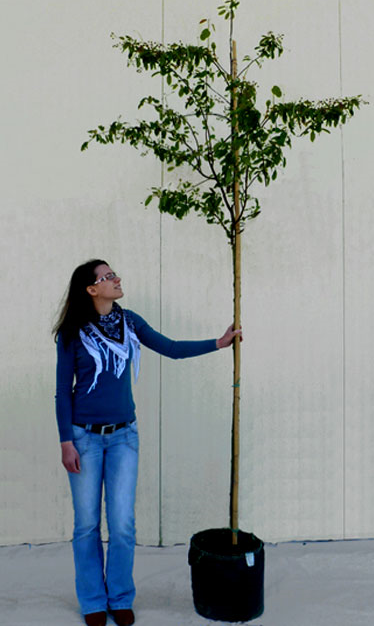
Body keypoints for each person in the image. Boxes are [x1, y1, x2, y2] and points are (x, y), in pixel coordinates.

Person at [54, 260, 239, 626]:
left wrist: (218, 343)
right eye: (107, 277)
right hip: (84, 439)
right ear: (91, 289)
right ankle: (93, 602)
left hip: (124, 437)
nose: (116, 279)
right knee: (87, 525)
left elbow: (170, 347)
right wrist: (65, 442)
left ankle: (120, 596)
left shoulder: (130, 321)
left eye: (114, 274)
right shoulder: (72, 333)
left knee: (122, 524)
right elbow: (62, 391)